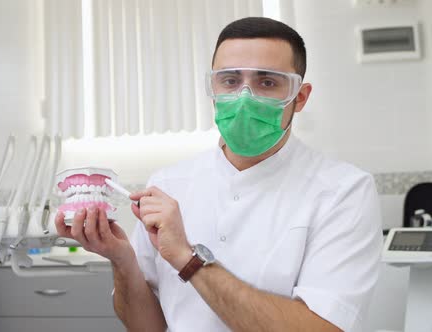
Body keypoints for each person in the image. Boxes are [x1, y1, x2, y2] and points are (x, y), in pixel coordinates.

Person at [55, 17, 382, 332]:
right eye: (229, 80)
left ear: (299, 97)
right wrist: (121, 260)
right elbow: (147, 326)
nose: (243, 98)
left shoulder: (343, 192)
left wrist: (188, 259)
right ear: (212, 87)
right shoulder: (169, 184)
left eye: (267, 82)